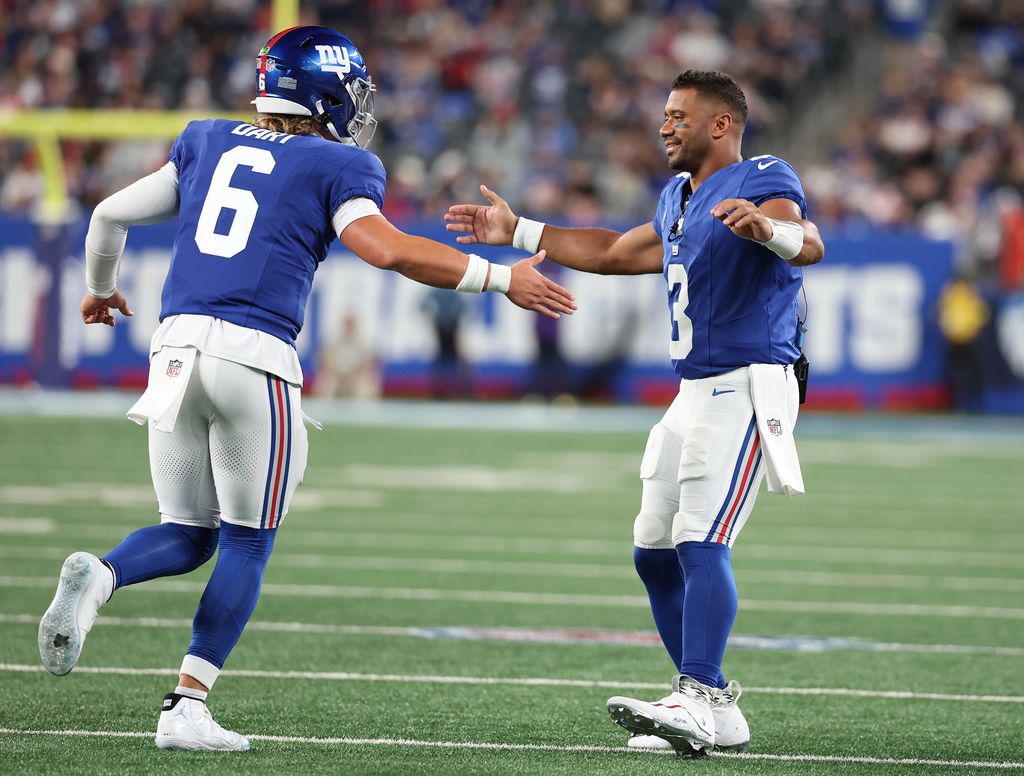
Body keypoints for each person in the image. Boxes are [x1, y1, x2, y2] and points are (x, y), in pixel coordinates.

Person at [37, 25, 575, 752]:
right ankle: (186, 706)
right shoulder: (334, 162)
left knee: (189, 532)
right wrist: (500, 276)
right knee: (248, 542)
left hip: (173, 347)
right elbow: (385, 249)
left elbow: (106, 215)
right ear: (324, 92)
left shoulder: (205, 139)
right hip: (253, 354)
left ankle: (101, 576)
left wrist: (100, 291)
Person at [446, 70, 824, 756]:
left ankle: (699, 695)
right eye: (665, 114)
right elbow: (618, 253)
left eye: (680, 115)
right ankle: (716, 706)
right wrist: (519, 228)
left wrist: (768, 228)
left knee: (700, 538)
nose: (664, 125)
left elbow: (809, 242)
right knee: (652, 549)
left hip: (748, 382)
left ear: (720, 124)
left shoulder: (762, 175)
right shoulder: (678, 196)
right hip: (693, 389)